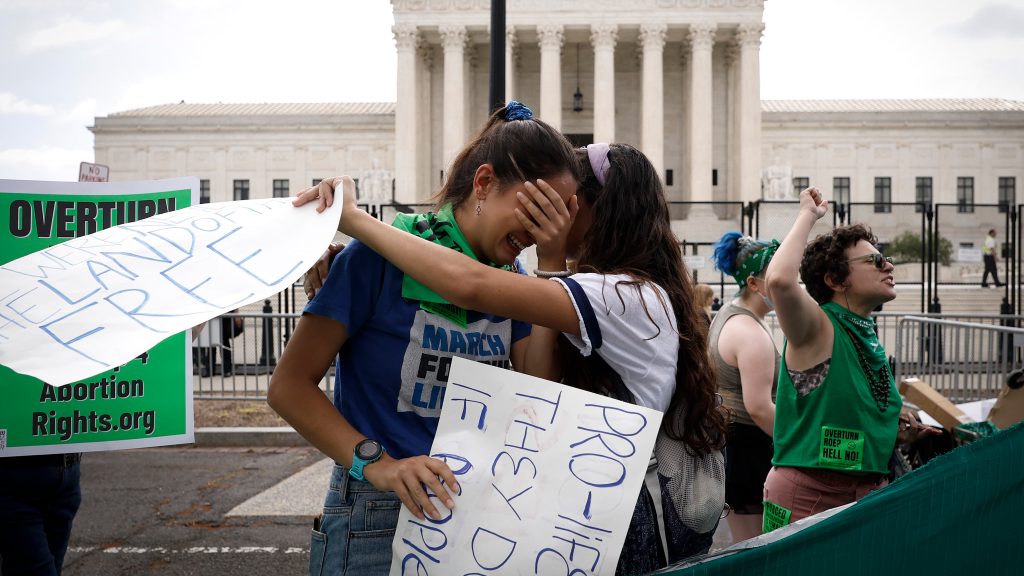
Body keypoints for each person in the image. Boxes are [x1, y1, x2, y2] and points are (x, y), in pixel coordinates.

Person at [301, 141, 727, 572]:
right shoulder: (586, 289)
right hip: (535, 517)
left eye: (562, 204)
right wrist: (358, 256)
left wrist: (356, 222)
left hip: (598, 523)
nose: (545, 218)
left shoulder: (619, 295)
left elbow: (470, 285)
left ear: (595, 212)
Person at [267, 101, 582, 576]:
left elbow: (540, 384)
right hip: (377, 513)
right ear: (483, 183)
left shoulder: (513, 277)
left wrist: (552, 263)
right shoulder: (373, 258)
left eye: (555, 218)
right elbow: (288, 387)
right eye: (535, 211)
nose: (538, 232)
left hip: (475, 511)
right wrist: (379, 465)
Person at [762, 187, 938, 529]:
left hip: (867, 494)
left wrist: (896, 431)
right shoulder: (820, 326)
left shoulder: (864, 332)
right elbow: (780, 281)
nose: (889, 265)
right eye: (875, 260)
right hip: (812, 498)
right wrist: (808, 216)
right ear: (835, 280)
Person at [708, 232, 780, 542]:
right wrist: (804, 444)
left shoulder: (730, 314)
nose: (789, 281)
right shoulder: (749, 331)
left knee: (748, 547)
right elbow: (760, 408)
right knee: (757, 551)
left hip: (738, 447)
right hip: (750, 450)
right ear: (753, 283)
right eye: (778, 275)